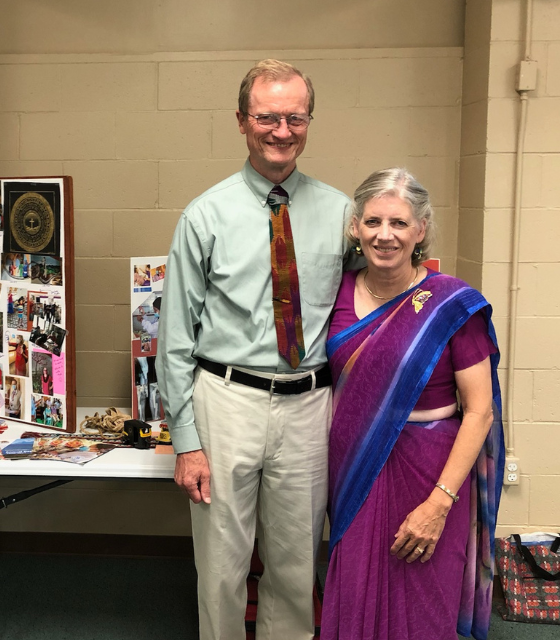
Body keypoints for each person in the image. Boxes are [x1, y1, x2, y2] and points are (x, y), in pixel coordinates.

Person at [156, 59, 352, 640]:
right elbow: (174, 342)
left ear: (309, 121)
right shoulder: (204, 215)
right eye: (268, 117)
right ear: (242, 121)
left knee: (295, 567)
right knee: (221, 567)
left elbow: (369, 308)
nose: (282, 131)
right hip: (226, 402)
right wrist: (187, 443)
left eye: (295, 117)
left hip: (308, 408)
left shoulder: (342, 215)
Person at [321, 169, 503, 640]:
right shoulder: (333, 294)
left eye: (399, 223)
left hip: (430, 472)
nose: (385, 235)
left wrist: (439, 504)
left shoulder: (450, 304)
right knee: (356, 590)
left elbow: (479, 410)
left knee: (424, 596)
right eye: (374, 221)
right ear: (355, 227)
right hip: (355, 464)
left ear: (420, 230)